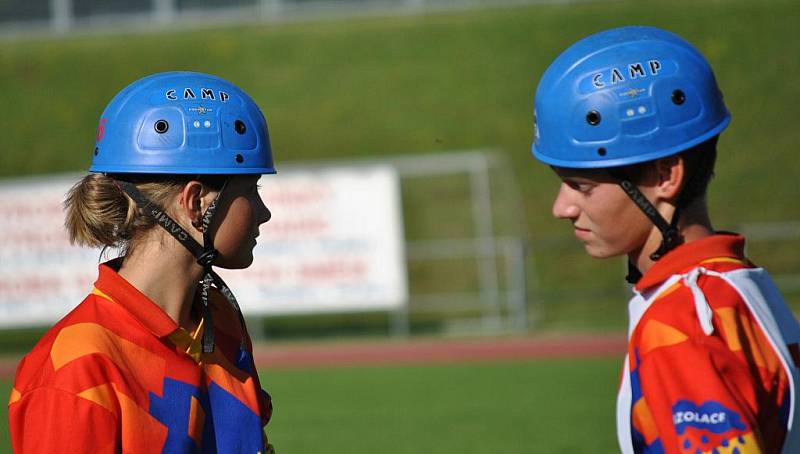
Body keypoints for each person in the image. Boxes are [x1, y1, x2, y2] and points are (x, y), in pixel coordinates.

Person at [531, 26, 800, 453]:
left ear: (665, 176)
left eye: (581, 186)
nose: (561, 208)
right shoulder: (737, 285)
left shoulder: (681, 323)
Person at [8, 71, 276, 453]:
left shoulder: (220, 320)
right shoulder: (77, 367)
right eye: (251, 190)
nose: (263, 212)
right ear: (196, 201)